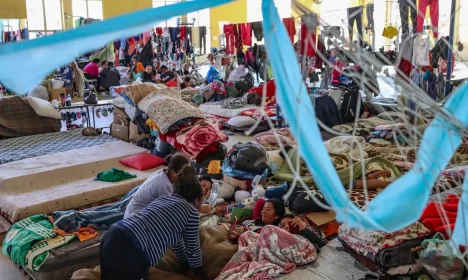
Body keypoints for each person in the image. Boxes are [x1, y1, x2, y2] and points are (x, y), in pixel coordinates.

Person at [101, 166, 207, 280]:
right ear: (196, 200)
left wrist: (184, 267)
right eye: (202, 200)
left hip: (112, 234)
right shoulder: (191, 212)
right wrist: (199, 273)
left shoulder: (164, 199)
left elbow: (178, 242)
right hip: (131, 248)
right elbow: (193, 249)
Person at [124, 153, 190, 218]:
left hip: (132, 210)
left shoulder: (162, 172)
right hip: (135, 218)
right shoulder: (165, 185)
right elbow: (172, 210)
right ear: (173, 173)